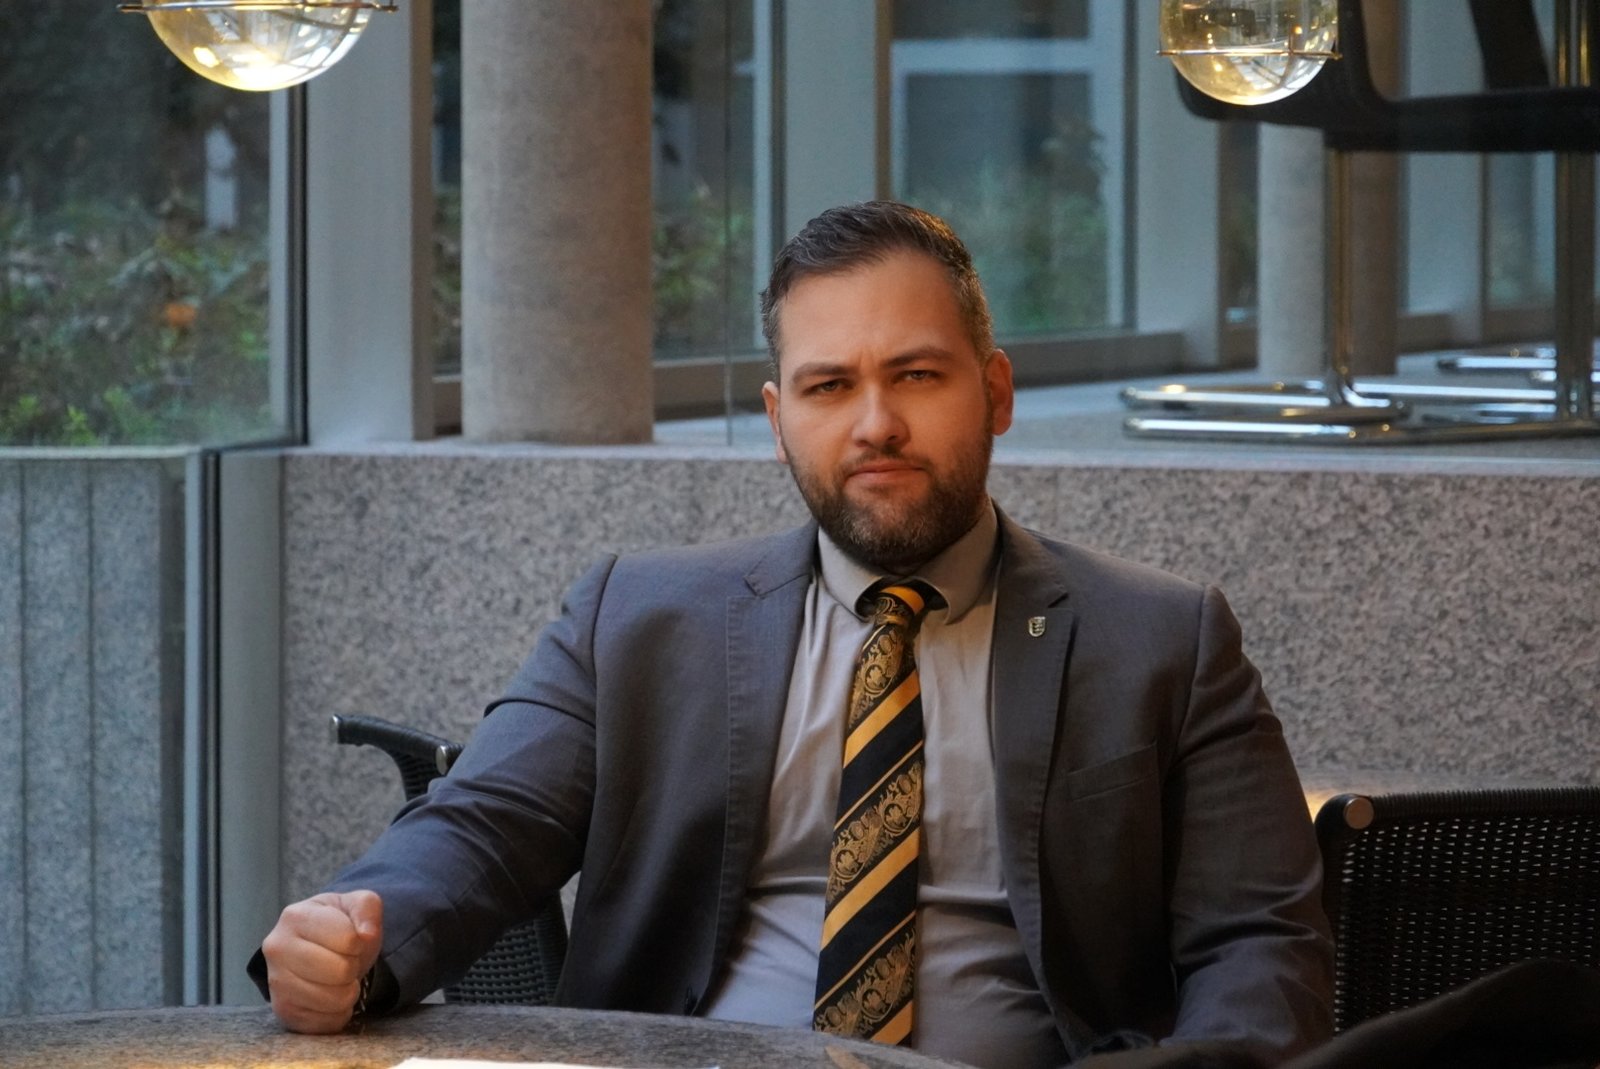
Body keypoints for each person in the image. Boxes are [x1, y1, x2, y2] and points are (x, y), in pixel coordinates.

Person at [253, 201, 1334, 1067]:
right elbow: (484, 824)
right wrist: (355, 938)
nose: (875, 424)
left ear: (996, 392)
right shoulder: (635, 617)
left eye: (916, 374)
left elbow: (1261, 945)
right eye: (829, 386)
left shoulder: (1165, 638)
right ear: (779, 421)